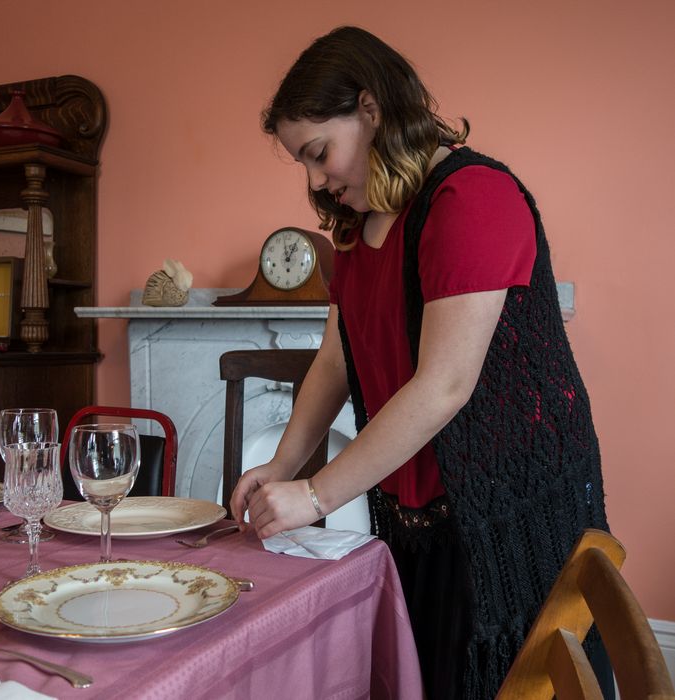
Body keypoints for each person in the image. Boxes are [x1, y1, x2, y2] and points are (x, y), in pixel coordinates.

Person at [229, 26, 610, 699]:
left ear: (372, 110)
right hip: (414, 516)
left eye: (319, 153)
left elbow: (443, 385)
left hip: (502, 512)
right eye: (304, 165)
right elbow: (334, 360)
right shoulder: (356, 226)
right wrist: (280, 466)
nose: (318, 179)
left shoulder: (472, 198)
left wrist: (316, 496)